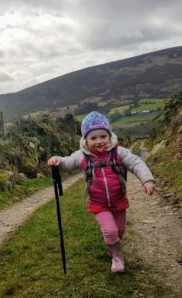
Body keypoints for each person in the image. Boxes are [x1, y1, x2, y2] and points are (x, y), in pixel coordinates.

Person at [47, 111, 155, 274]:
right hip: (98, 203)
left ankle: (112, 247)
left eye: (103, 136)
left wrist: (147, 179)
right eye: (93, 138)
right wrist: (57, 160)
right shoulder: (82, 156)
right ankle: (117, 258)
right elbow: (67, 162)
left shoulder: (119, 152)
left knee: (119, 231)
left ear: (109, 136)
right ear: (86, 140)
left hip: (118, 200)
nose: (99, 141)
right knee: (110, 231)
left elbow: (136, 163)